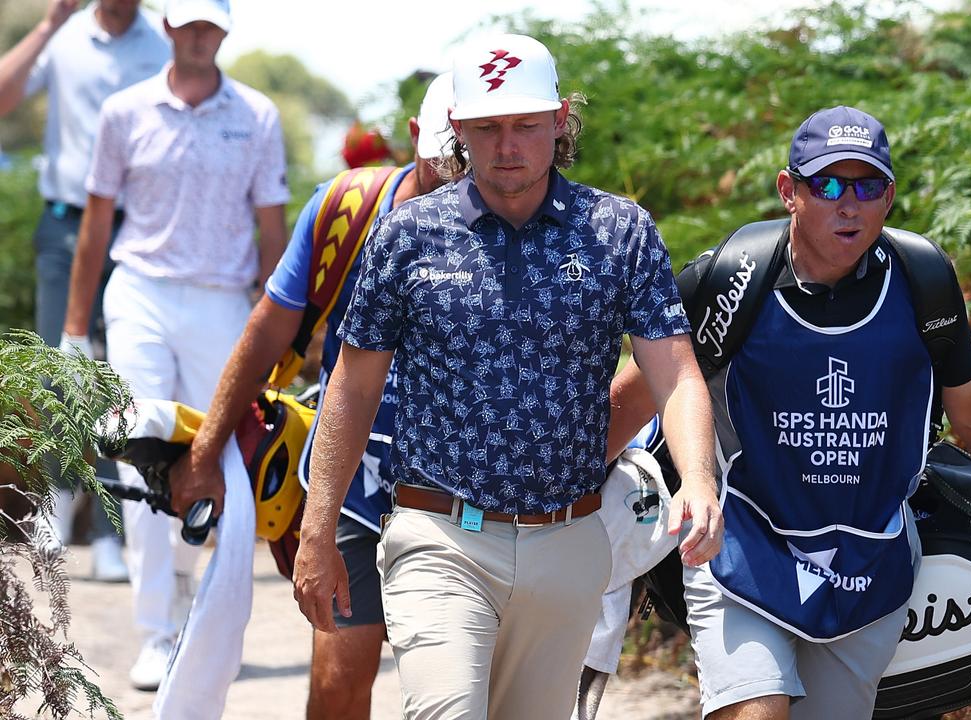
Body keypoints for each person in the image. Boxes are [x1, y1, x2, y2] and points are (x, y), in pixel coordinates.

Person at [291, 33, 722, 720]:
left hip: (570, 543)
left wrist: (698, 477)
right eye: (488, 128)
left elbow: (674, 372)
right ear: (458, 129)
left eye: (525, 124)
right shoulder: (407, 236)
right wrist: (318, 528)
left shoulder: (619, 232)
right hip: (440, 537)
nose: (507, 145)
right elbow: (352, 386)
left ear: (559, 120)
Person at [606, 106, 971, 720]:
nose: (847, 204)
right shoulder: (732, 278)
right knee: (757, 706)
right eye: (826, 185)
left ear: (889, 196)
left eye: (866, 186)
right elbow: (639, 394)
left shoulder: (921, 282)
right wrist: (545, 505)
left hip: (870, 566)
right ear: (788, 192)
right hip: (743, 546)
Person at [168, 72, 457, 720]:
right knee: (338, 680)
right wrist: (208, 449)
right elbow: (269, 327)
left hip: (462, 492)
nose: (457, 186)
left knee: (454, 690)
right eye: (444, 168)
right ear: (415, 139)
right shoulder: (346, 210)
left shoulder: (512, 225)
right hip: (354, 481)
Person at [61, 0, 289, 691]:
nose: (197, 34)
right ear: (166, 26)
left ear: (223, 29)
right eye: (187, 21)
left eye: (209, 24)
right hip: (140, 294)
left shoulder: (258, 117)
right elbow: (97, 223)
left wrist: (283, 330)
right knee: (140, 461)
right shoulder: (124, 111)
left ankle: (191, 594)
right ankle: (157, 631)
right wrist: (75, 329)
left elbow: (272, 229)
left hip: (223, 303)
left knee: (213, 460)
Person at [0, 0, 170, 580]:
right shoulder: (65, 35)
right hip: (66, 225)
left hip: (138, 230)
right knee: (57, 374)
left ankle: (109, 532)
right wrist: (47, 25)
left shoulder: (162, 42)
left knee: (120, 377)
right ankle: (55, 512)